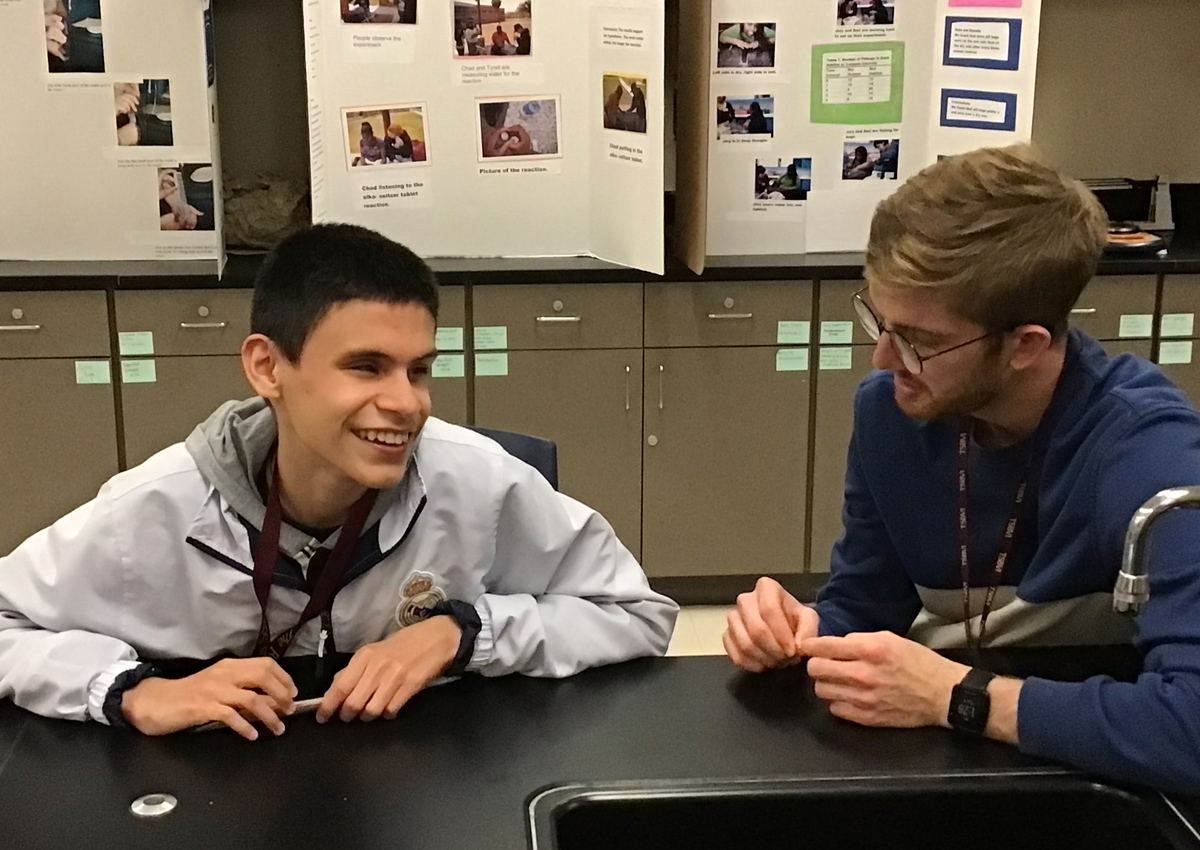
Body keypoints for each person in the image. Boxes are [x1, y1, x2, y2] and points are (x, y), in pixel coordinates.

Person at [0, 224, 677, 740]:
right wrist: (125, 689)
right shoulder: (153, 509)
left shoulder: (480, 482)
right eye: (366, 366)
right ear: (268, 369)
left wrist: (466, 632)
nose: (408, 403)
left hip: (423, 788)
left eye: (417, 370)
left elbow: (637, 614)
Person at [724, 145, 1200, 795]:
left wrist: (955, 695)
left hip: (1089, 796)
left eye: (918, 340)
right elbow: (866, 607)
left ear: (1025, 345)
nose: (882, 361)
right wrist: (802, 635)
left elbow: (1190, 729)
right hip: (952, 775)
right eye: (878, 321)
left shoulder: (1149, 454)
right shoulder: (893, 415)